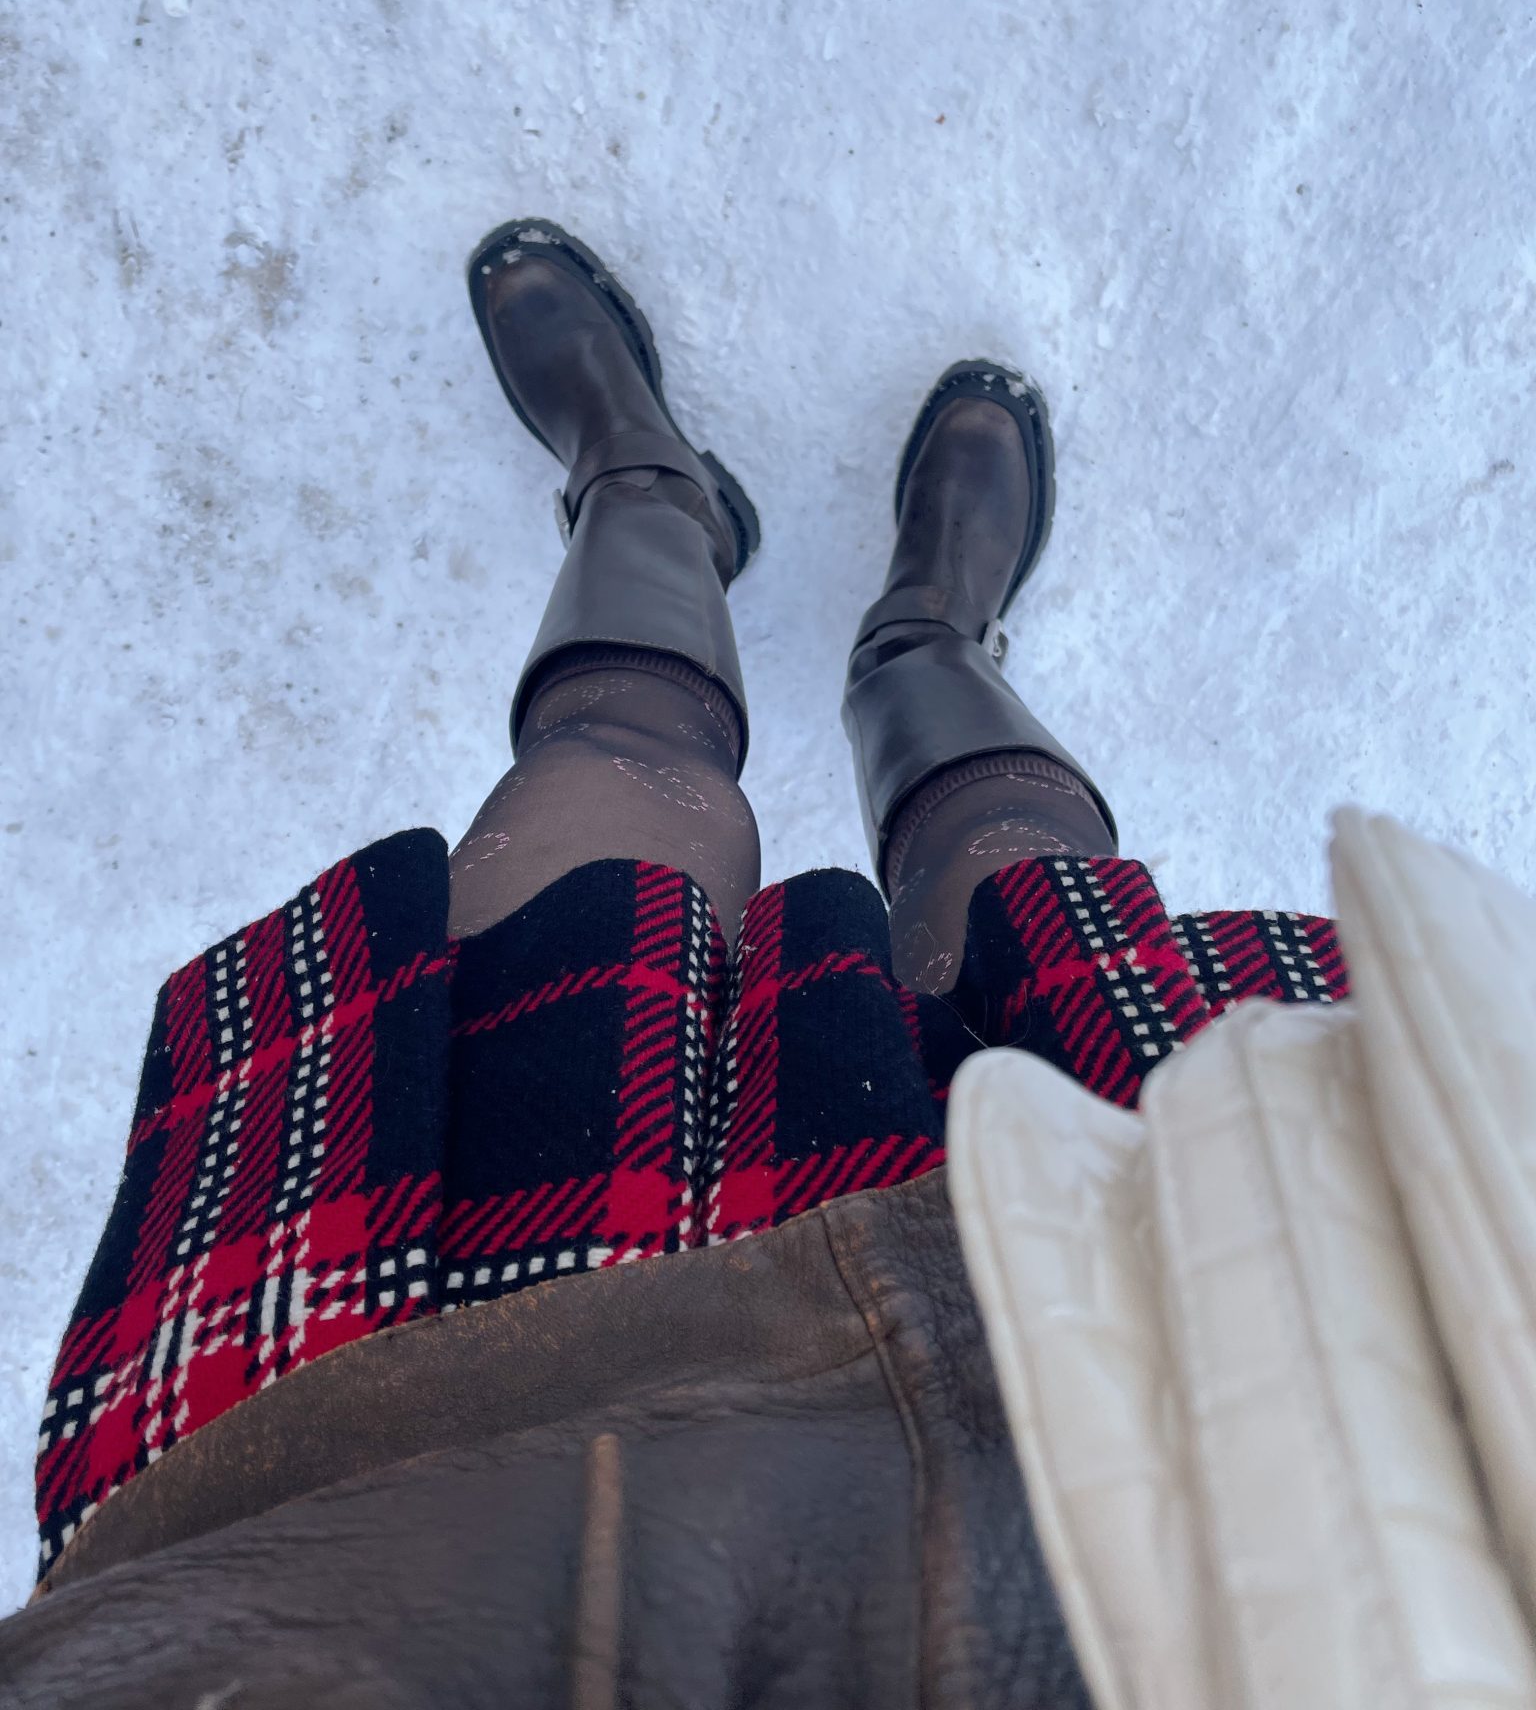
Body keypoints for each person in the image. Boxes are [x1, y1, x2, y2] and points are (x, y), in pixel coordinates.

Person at [4, 220, 1349, 1708]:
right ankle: (926, 642)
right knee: (1024, 909)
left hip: (362, 1487)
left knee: (605, 801)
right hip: (1179, 1469)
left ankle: (646, 493)